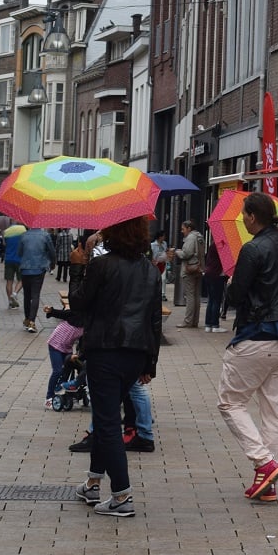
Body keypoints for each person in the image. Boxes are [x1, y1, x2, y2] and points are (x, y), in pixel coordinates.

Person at [69, 215, 162, 518]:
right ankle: (93, 482)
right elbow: (154, 319)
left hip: (105, 351)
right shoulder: (150, 270)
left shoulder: (102, 265)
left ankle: (121, 495)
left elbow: (78, 303)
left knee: (108, 422)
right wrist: (150, 363)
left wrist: (77, 267)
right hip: (135, 353)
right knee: (105, 415)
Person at [217, 191, 278, 503]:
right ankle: (268, 482)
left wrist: (230, 284)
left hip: (257, 336)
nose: (242, 219)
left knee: (231, 403)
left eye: (244, 214)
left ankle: (264, 462)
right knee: (272, 410)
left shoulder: (253, 249)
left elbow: (237, 296)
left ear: (253, 216)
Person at [43, 301, 84, 409]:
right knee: (57, 370)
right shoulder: (75, 313)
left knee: (69, 367)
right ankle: (49, 398)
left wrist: (80, 354)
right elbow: (62, 314)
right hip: (55, 344)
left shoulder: (88, 323)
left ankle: (64, 391)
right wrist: (51, 311)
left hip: (67, 347)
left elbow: (83, 342)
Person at [18, 226, 55, 333]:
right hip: (39, 269)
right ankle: (32, 322)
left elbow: (19, 252)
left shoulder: (24, 235)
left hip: (25, 268)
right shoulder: (45, 236)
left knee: (27, 295)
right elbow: (52, 251)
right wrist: (52, 263)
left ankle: (27, 319)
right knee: (35, 295)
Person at [174, 220, 204, 329]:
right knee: (196, 296)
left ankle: (188, 321)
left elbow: (186, 254)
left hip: (190, 269)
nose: (182, 231)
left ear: (189, 228)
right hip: (198, 268)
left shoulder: (191, 237)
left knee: (190, 296)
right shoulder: (199, 237)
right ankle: (194, 321)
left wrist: (177, 251)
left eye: (183, 229)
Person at [203, 239, 228, 334]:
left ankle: (208, 325)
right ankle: (215, 325)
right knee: (216, 300)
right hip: (217, 275)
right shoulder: (221, 246)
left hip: (209, 274)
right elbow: (224, 260)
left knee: (211, 300)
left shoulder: (213, 245)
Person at [2, 221, 27, 310]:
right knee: (22, 279)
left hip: (8, 259)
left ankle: (10, 301)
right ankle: (15, 293)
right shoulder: (23, 230)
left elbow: (4, 244)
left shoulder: (6, 231)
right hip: (20, 259)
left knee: (9, 281)